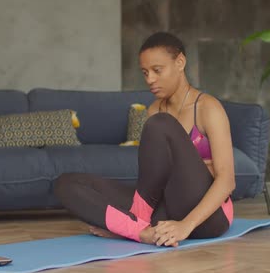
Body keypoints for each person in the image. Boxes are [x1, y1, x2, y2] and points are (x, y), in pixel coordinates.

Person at [54, 32, 235, 247]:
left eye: (157, 71)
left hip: (208, 219)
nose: (150, 79)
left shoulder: (207, 108)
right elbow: (153, 180)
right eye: (145, 72)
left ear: (180, 62)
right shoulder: (154, 109)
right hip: (164, 209)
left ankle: (132, 226)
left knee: (161, 123)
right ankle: (139, 231)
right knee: (66, 184)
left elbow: (227, 180)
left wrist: (185, 226)